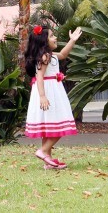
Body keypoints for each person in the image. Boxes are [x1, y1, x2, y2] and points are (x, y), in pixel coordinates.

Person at [24, 25, 82, 169]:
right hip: (48, 92)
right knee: (60, 124)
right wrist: (43, 96)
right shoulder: (45, 57)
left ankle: (47, 160)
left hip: (52, 90)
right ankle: (43, 151)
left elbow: (63, 54)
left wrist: (72, 40)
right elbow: (39, 77)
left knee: (49, 126)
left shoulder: (49, 55)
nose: (55, 37)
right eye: (51, 36)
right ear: (43, 41)